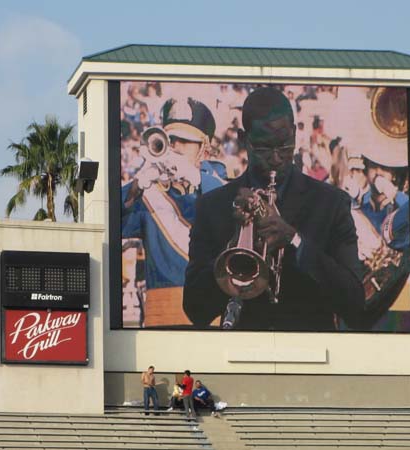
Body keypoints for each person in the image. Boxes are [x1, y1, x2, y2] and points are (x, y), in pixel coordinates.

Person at [183, 87, 365, 330]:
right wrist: (233, 244)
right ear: (243, 138)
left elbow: (354, 303)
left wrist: (295, 241)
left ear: (294, 133)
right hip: (241, 357)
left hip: (310, 356)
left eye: (285, 146)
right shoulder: (212, 206)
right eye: (264, 149)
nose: (277, 159)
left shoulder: (331, 204)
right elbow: (196, 310)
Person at [122, 97, 226, 326]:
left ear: (204, 149)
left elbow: (228, 210)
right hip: (161, 317)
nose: (175, 147)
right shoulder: (149, 193)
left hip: (212, 314)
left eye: (185, 141)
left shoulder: (217, 185)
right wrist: (135, 187)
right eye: (171, 140)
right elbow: (112, 223)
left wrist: (198, 179)